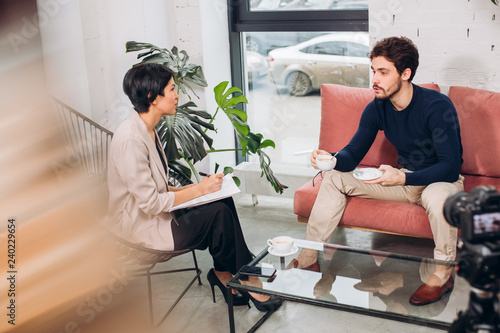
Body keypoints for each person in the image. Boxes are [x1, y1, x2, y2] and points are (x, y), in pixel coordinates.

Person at [291, 36, 463, 306]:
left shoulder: (436, 106)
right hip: (402, 180)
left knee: (441, 198)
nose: (375, 79)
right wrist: (332, 159)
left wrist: (404, 176)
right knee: (335, 177)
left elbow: (451, 167)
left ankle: (442, 273)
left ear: (405, 74)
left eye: (383, 72)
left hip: (437, 180)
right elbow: (353, 154)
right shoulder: (377, 107)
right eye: (373, 71)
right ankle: (308, 258)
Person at [106, 62, 282, 312]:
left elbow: (159, 187)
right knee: (217, 214)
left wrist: (204, 188)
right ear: (152, 97)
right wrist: (199, 190)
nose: (177, 95)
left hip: (159, 214)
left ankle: (226, 274)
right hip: (142, 228)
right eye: (171, 89)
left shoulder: (147, 129)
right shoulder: (131, 140)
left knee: (221, 200)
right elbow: (150, 203)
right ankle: (246, 278)